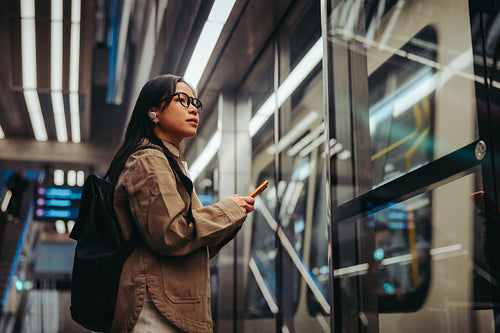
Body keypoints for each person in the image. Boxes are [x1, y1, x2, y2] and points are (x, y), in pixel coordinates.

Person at [104, 74, 255, 332]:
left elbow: (194, 243)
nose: (193, 107)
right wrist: (227, 210)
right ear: (153, 112)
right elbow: (172, 234)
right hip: (155, 308)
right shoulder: (149, 161)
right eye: (181, 100)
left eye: (195, 102)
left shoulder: (170, 165)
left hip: (169, 305)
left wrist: (232, 216)